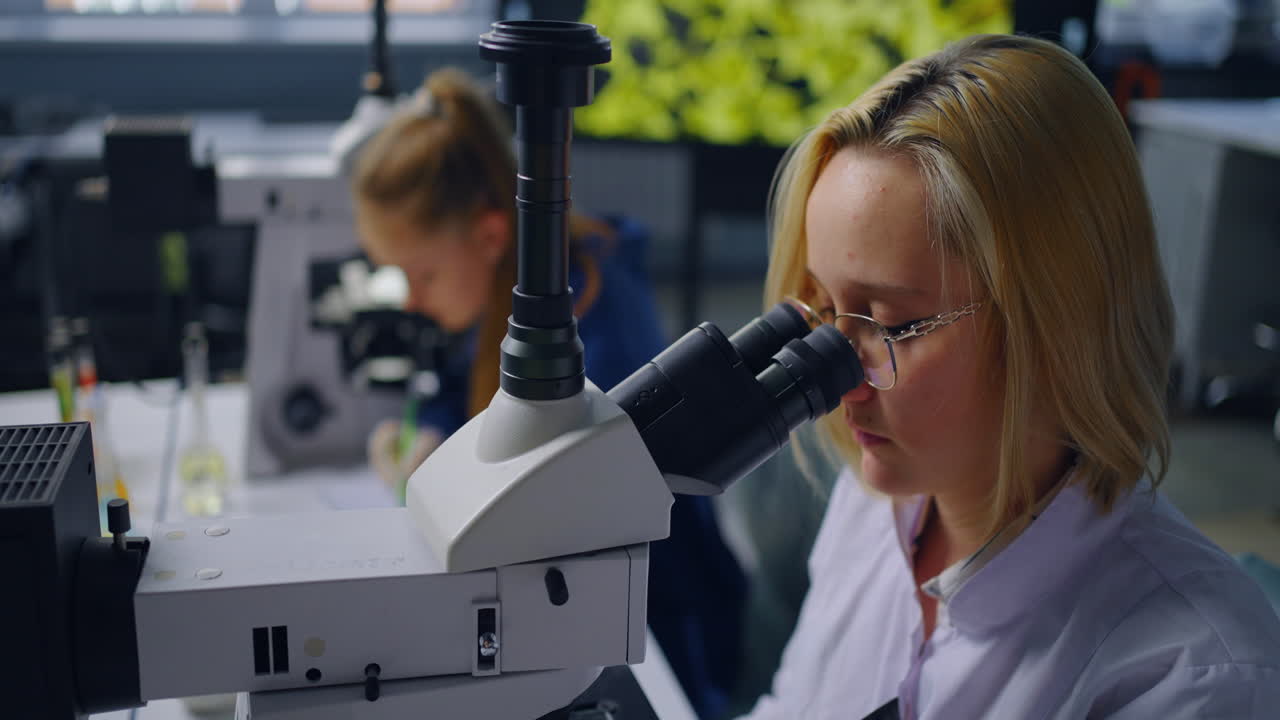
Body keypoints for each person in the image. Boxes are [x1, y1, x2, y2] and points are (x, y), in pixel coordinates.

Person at [742, 35, 1280, 719]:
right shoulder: (871, 506)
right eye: (822, 308)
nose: (840, 384)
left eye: (896, 324)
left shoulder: (1196, 676)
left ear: (1060, 321)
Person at [351, 67, 746, 719]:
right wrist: (433, 431)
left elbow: (603, 512)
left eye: (419, 274)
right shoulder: (499, 290)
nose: (412, 301)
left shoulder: (596, 331)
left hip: (665, 635)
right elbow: (465, 387)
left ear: (488, 236)